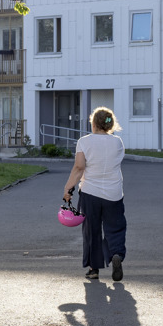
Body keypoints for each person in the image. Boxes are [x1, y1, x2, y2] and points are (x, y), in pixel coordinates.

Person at [62, 107, 126, 281]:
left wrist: (68, 188)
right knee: (116, 227)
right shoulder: (118, 142)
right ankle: (116, 254)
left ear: (93, 123)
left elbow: (79, 167)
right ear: (109, 124)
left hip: (90, 192)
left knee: (92, 231)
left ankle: (94, 269)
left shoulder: (84, 142)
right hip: (114, 193)